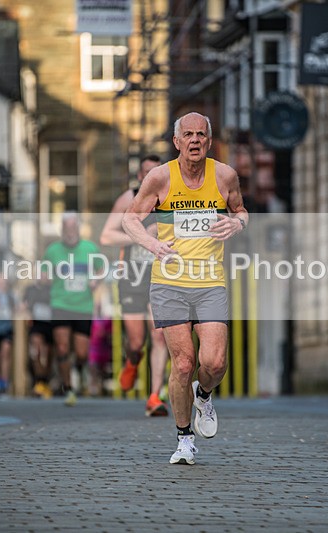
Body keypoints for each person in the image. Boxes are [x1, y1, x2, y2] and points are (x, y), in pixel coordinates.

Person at [122, 112, 248, 465]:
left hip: (210, 281)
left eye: (201, 135)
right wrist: (152, 244)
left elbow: (241, 211)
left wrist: (237, 224)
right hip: (169, 283)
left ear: (209, 141)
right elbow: (130, 219)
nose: (194, 140)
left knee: (214, 361)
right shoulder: (160, 177)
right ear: (176, 142)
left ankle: (203, 395)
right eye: (187, 135)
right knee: (183, 363)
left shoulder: (224, 176)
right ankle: (184, 439)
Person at [100, 154, 170, 416]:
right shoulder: (128, 198)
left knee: (159, 334)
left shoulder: (170, 199)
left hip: (160, 276)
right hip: (131, 277)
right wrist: (141, 237)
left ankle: (154, 396)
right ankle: (132, 361)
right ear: (140, 177)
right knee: (136, 341)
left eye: (156, 172)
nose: (151, 177)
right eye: (147, 173)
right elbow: (106, 235)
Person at [43, 212, 105, 406]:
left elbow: (102, 267)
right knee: (62, 347)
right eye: (66, 228)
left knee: (81, 353)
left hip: (83, 306)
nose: (70, 231)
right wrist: (44, 278)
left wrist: (96, 279)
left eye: (73, 227)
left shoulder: (90, 248)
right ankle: (68, 388)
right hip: (60, 304)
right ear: (61, 230)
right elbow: (43, 272)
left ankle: (78, 370)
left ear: (78, 228)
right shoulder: (52, 250)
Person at [22, 274, 53, 399]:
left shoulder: (53, 289)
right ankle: (39, 380)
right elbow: (24, 304)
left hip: (51, 324)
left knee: (50, 353)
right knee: (37, 350)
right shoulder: (30, 289)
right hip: (36, 324)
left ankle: (45, 380)